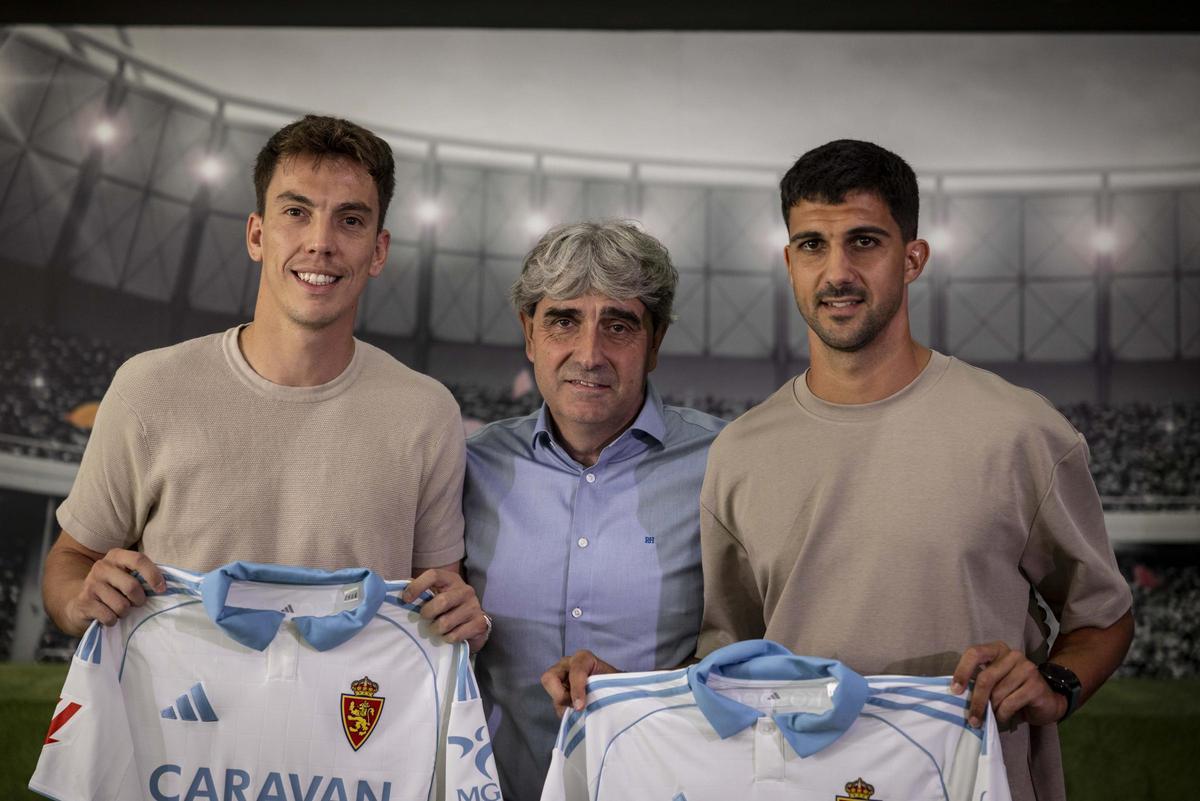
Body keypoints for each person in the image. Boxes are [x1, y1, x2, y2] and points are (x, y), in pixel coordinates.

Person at [545, 141, 1133, 801]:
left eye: (864, 241)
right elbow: (728, 662)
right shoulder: (741, 450)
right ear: (789, 260)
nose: (838, 272)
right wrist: (625, 690)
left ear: (913, 258)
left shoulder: (1023, 433)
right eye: (813, 246)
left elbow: (1103, 615)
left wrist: (1054, 685)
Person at [43, 115, 486, 649]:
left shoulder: (427, 412)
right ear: (257, 234)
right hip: (179, 722)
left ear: (379, 250)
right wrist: (77, 599)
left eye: (350, 220)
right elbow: (71, 559)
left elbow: (442, 597)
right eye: (296, 213)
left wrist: (465, 616)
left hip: (351, 728)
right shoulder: (148, 388)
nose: (321, 242)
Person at [463, 221, 725, 800]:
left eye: (619, 324)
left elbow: (759, 651)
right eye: (563, 320)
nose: (590, 353)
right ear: (529, 335)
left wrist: (650, 696)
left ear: (655, 343)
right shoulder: (467, 468)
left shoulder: (726, 465)